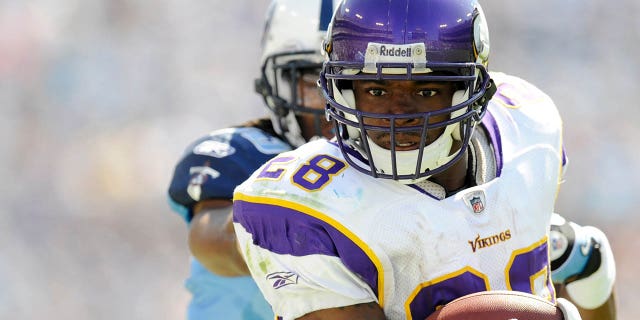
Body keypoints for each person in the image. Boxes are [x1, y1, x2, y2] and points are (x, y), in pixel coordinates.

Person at [232, 0, 617, 319]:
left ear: (473, 92)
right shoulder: (305, 202)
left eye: (428, 90)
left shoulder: (528, 123)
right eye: (377, 90)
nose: (401, 112)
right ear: (344, 89)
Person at [167, 0, 336, 318]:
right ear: (277, 85)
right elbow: (212, 241)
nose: (337, 101)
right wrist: (320, 222)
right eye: (316, 83)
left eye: (357, 81)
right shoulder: (243, 155)